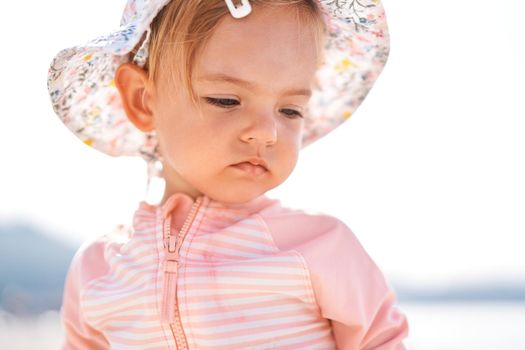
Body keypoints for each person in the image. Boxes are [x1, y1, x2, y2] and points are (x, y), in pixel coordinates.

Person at [48, 0, 409, 348]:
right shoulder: (99, 269)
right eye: (226, 100)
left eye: (290, 110)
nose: (266, 132)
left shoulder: (320, 247)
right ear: (143, 100)